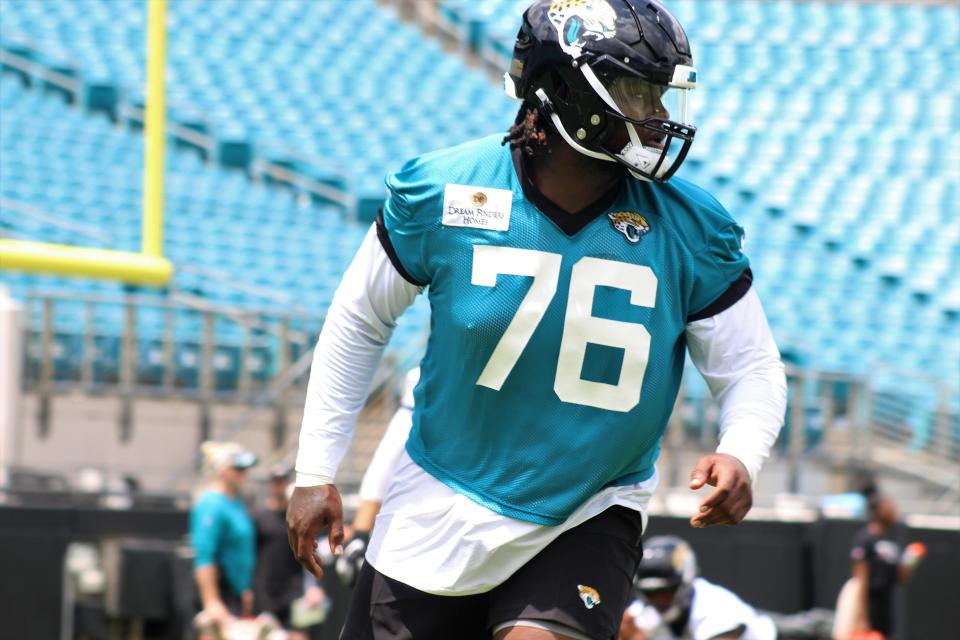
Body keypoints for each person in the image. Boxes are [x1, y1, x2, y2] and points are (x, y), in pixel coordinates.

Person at [287, 1, 787, 638]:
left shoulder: (690, 227)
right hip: (440, 495)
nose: (658, 118)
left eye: (661, 96)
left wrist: (742, 451)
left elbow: (750, 367)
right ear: (563, 95)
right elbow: (358, 322)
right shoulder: (447, 191)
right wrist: (314, 471)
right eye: (638, 94)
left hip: (587, 507)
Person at [619, 536, 776, 640]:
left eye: (667, 591)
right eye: (651, 592)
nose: (659, 599)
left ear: (685, 583)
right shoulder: (641, 614)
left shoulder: (716, 608)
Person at [833, 487, 925, 640]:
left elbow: (901, 578)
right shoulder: (865, 539)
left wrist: (911, 560)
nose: (893, 510)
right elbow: (861, 578)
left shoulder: (892, 541)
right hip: (868, 605)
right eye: (889, 505)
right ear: (878, 510)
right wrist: (862, 617)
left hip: (885, 607)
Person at [254, 464, 327, 638]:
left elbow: (313, 552)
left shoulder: (301, 517)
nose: (279, 486)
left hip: (295, 589)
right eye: (276, 482)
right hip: (267, 592)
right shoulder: (259, 517)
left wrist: (316, 587)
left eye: (283, 481)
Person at [190, 441, 258, 627]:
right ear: (222, 470)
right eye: (238, 469)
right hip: (221, 593)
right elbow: (204, 556)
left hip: (235, 594)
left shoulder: (237, 502)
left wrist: (244, 589)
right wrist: (212, 601)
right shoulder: (211, 503)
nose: (243, 474)